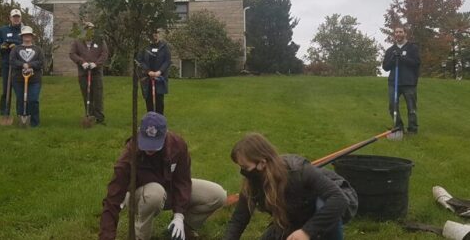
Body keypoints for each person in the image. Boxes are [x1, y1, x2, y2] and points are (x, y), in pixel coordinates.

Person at [100, 112, 227, 240]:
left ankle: (181, 228)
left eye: (154, 144)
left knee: (218, 195)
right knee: (155, 193)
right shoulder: (130, 154)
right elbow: (113, 200)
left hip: (169, 189)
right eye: (146, 142)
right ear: (139, 132)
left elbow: (183, 182)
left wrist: (179, 216)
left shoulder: (178, 145)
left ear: (165, 134)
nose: (150, 149)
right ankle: (140, 236)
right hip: (139, 196)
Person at [224, 133, 356, 240]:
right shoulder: (252, 182)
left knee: (324, 203)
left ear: (262, 163)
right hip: (296, 212)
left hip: (334, 196)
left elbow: (338, 199)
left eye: (245, 167)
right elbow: (239, 219)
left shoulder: (299, 171)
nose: (243, 172)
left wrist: (306, 232)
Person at [382, 25, 421, 134]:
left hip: (409, 82)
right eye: (396, 32)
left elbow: (416, 63)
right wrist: (393, 59)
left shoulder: (412, 48)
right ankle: (398, 127)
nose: (398, 34)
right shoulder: (391, 50)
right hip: (393, 82)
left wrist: (402, 58)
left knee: (411, 107)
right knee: (392, 106)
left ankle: (412, 129)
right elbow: (385, 67)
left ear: (405, 33)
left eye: (400, 32)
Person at [69, 22, 109, 124]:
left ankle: (99, 118)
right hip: (83, 72)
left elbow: (104, 54)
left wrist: (96, 64)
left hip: (96, 72)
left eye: (91, 29)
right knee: (86, 94)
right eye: (87, 29)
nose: (89, 31)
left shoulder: (100, 41)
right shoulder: (78, 41)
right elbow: (72, 54)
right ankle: (89, 115)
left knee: (98, 95)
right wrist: (82, 62)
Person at [9, 26, 44, 127]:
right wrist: (23, 65)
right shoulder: (16, 49)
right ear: (22, 36)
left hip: (35, 80)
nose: (27, 36)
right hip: (18, 79)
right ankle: (22, 120)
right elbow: (12, 61)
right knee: (20, 99)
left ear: (32, 36)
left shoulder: (38, 49)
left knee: (33, 100)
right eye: (25, 35)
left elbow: (41, 62)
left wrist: (30, 65)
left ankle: (34, 122)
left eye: (29, 35)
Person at [0, 9, 23, 117]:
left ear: (20, 18)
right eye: (14, 17)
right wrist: (3, 46)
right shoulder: (3, 30)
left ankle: (21, 113)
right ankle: (4, 113)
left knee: (20, 90)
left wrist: (16, 46)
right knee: (6, 90)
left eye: (18, 17)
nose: (16, 19)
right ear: (10, 18)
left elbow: (27, 44)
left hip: (20, 64)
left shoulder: (24, 30)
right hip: (7, 64)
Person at [136, 29, 171, 115]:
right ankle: (150, 120)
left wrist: (159, 71)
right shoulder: (145, 46)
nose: (155, 35)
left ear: (159, 34)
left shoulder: (164, 46)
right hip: (147, 77)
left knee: (159, 100)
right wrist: (148, 71)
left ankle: (159, 121)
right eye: (153, 33)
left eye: (157, 33)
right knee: (149, 99)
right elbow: (140, 60)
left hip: (160, 77)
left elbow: (167, 61)